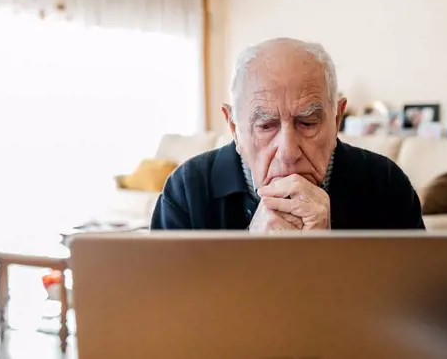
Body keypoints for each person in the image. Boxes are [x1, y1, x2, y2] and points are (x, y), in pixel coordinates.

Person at [150, 38, 425, 231]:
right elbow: (162, 310)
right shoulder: (187, 190)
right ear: (233, 127)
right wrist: (251, 254)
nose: (288, 152)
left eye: (307, 123)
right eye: (265, 126)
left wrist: (328, 255)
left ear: (337, 118)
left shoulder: (387, 185)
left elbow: (419, 306)